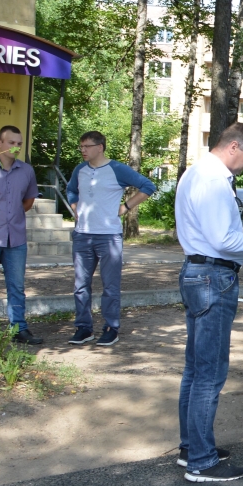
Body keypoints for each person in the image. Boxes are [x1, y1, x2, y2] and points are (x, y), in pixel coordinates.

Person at [175, 122, 243, 482]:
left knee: (195, 368)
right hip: (212, 277)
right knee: (210, 372)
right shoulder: (214, 180)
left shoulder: (196, 173)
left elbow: (219, 232)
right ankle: (201, 462)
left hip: (196, 272)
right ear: (233, 146)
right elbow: (223, 239)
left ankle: (192, 447)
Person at [65, 131, 157, 346]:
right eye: (81, 146)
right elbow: (71, 190)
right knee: (80, 285)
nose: (83, 150)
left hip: (108, 236)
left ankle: (110, 327)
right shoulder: (80, 170)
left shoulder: (117, 169)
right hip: (82, 235)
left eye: (87, 146)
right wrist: (75, 206)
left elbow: (148, 186)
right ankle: (83, 328)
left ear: (100, 147)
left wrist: (125, 207)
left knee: (110, 286)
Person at [0, 125, 42, 345]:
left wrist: (11, 216)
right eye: (10, 142)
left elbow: (28, 200)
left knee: (16, 286)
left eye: (19, 143)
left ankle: (19, 330)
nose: (15, 147)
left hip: (15, 237)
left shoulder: (26, 170)